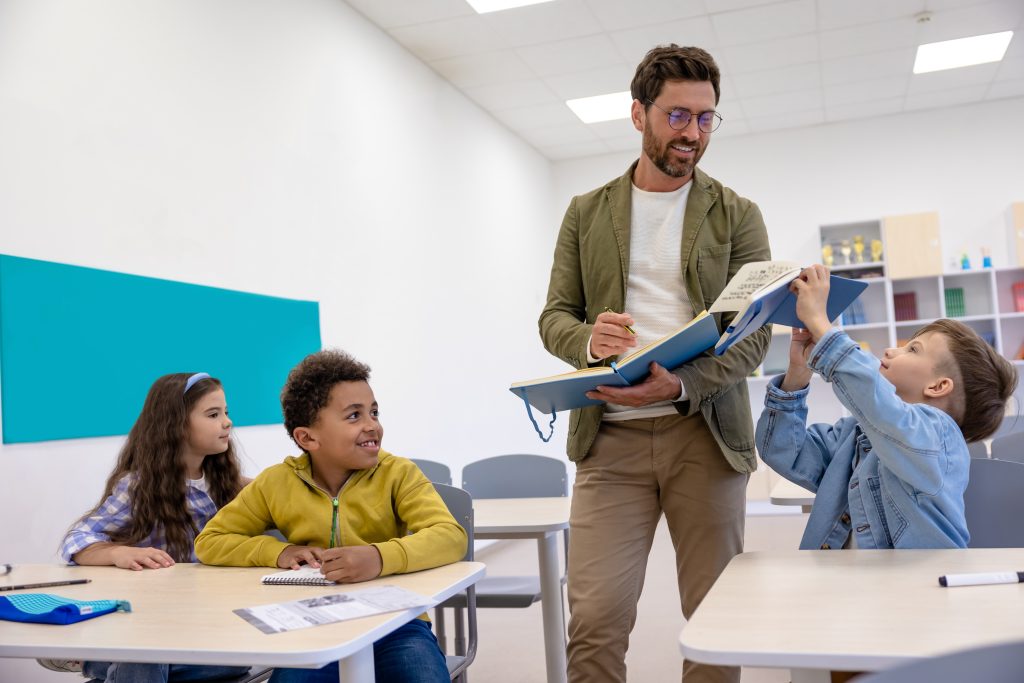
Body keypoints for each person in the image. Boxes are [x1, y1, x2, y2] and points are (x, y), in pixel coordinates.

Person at [539, 44, 771, 683]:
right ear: (638, 113)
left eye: (705, 118)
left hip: (706, 433)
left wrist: (682, 384)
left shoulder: (738, 214)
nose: (692, 133)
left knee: (717, 621)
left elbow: (752, 337)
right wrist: (591, 340)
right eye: (677, 116)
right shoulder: (586, 212)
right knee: (594, 621)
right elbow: (554, 316)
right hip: (608, 441)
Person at [195, 349, 466, 683]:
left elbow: (450, 535)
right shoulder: (276, 482)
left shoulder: (398, 473)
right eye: (354, 416)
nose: (372, 426)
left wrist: (379, 557)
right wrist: (278, 551)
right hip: (312, 625)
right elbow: (210, 541)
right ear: (308, 437)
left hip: (397, 624)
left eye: (374, 412)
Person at [756, 264, 1018, 550]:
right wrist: (798, 373)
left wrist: (821, 323)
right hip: (848, 585)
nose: (892, 350)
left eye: (912, 349)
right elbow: (783, 451)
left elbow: (880, 405)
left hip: (912, 589)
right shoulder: (855, 434)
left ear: (938, 386)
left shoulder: (939, 437)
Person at [54, 372, 249, 683]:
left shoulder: (233, 486)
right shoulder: (139, 486)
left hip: (209, 627)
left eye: (226, 412)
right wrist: (118, 553)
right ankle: (116, 662)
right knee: (146, 654)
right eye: (213, 414)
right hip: (154, 622)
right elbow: (76, 541)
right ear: (176, 424)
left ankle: (97, 664)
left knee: (234, 665)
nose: (227, 422)